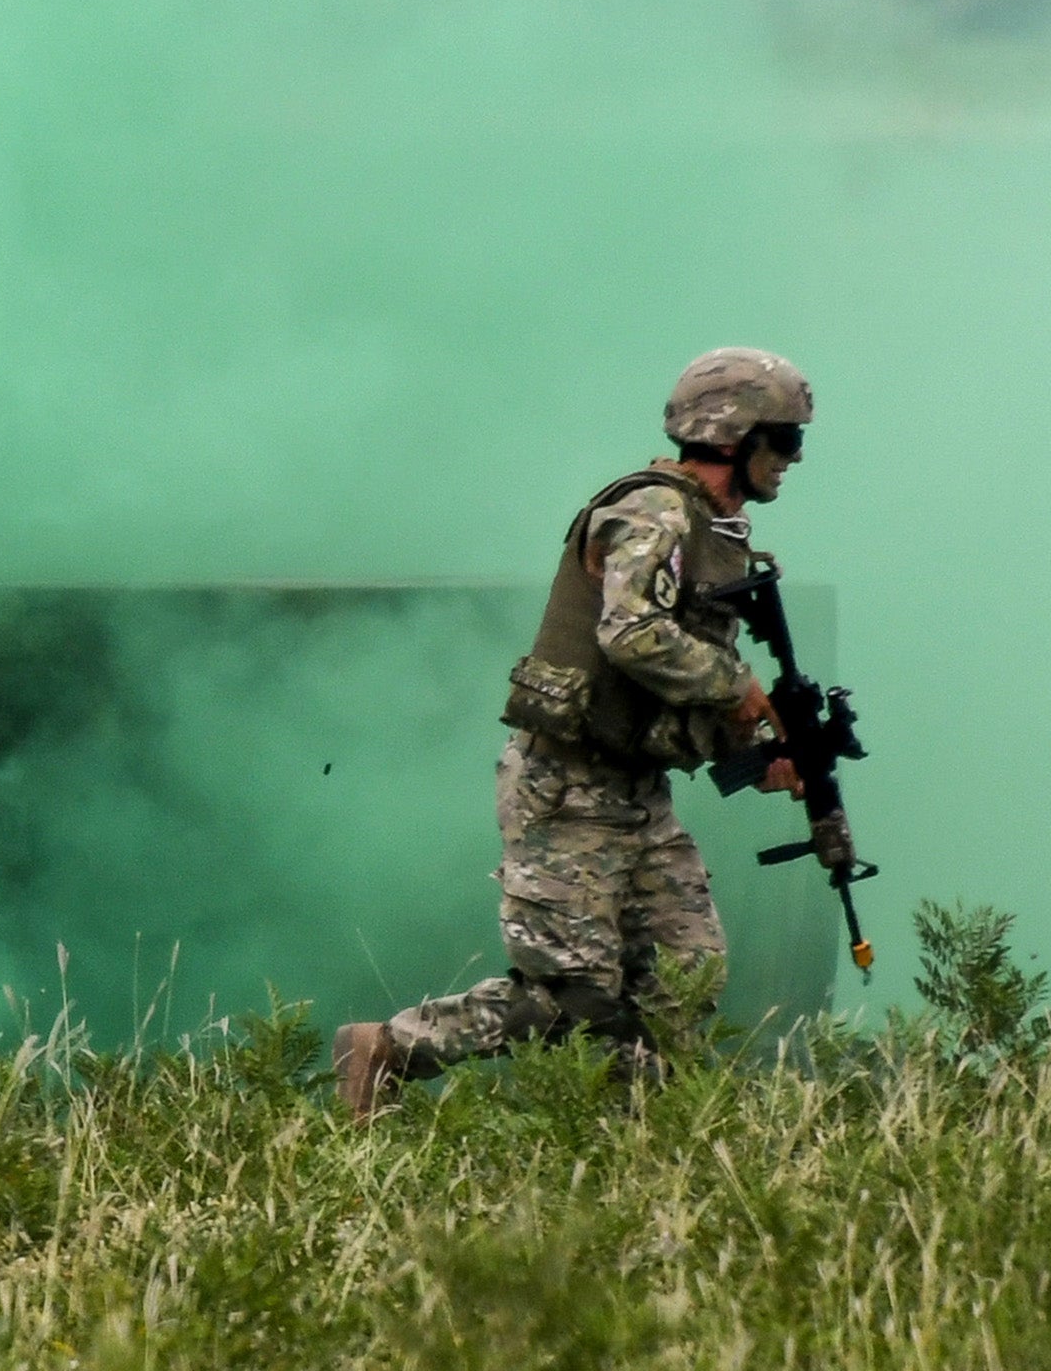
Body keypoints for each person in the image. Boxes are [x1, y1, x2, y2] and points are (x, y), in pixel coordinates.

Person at [333, 347, 814, 1119]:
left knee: (686, 975)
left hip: (637, 795)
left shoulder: (714, 533)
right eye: (785, 441)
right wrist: (740, 688)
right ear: (735, 436)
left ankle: (642, 1140)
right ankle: (390, 1048)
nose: (792, 461)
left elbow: (677, 670)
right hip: (567, 788)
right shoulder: (655, 513)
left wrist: (752, 757)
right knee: (569, 999)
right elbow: (632, 636)